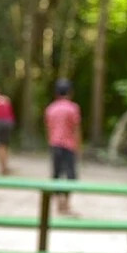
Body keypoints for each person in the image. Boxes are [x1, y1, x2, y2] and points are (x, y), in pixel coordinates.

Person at [44, 78, 82, 214]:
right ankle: (66, 203)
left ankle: (59, 204)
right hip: (69, 145)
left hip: (54, 144)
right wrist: (78, 146)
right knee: (70, 175)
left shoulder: (50, 108)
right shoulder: (73, 108)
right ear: (70, 92)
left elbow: (48, 128)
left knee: (56, 174)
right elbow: (76, 129)